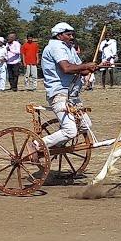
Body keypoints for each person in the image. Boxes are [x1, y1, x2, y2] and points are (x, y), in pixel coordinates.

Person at [31, 22, 97, 156]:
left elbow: (82, 70)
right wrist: (87, 65)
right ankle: (37, 145)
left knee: (85, 125)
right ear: (59, 36)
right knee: (70, 131)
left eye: (72, 34)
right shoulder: (56, 47)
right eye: (68, 34)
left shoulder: (69, 48)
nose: (72, 37)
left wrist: (96, 66)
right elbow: (66, 68)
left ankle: (53, 146)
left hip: (72, 95)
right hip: (59, 94)